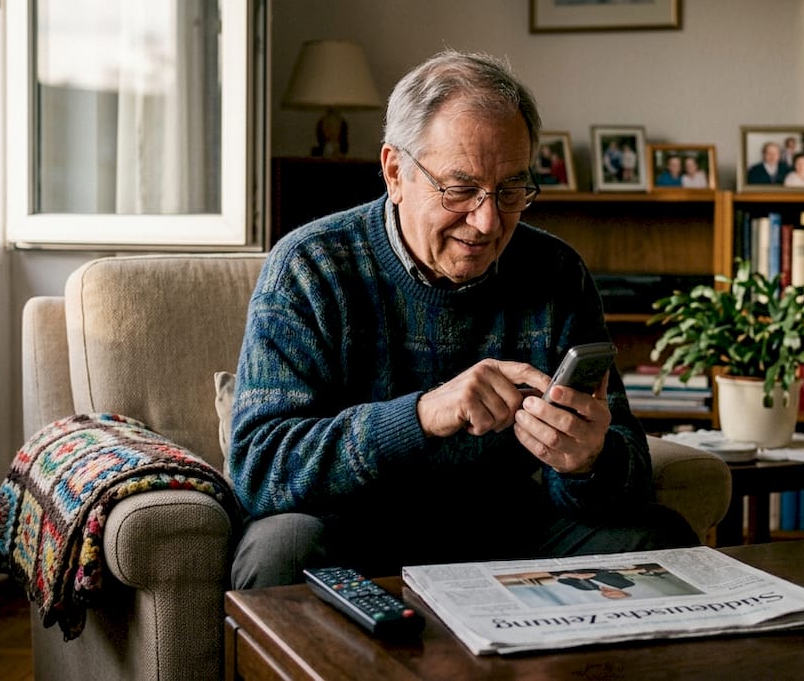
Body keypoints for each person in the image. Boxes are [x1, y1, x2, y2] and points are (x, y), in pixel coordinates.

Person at [228, 50, 697, 589]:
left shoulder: (557, 272)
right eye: (460, 189)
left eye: (511, 190)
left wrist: (588, 462)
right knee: (280, 548)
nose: (487, 220)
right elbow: (259, 469)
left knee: (661, 538)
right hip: (354, 533)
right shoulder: (310, 267)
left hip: (513, 534)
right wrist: (423, 414)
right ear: (395, 171)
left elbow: (628, 475)